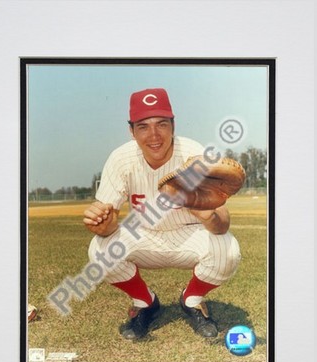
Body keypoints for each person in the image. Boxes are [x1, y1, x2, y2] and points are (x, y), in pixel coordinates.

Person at [83, 88, 241, 340]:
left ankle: (191, 300)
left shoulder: (192, 154)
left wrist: (205, 214)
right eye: (143, 126)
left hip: (189, 235)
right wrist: (103, 225)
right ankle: (145, 302)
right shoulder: (121, 159)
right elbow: (108, 226)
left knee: (227, 249)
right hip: (143, 235)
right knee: (99, 249)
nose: (154, 135)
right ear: (131, 130)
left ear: (173, 126)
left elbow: (222, 225)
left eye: (162, 124)